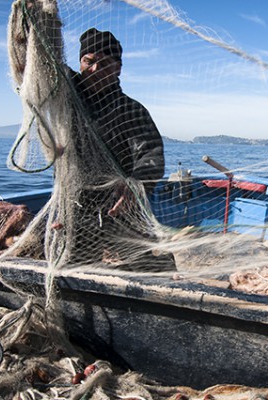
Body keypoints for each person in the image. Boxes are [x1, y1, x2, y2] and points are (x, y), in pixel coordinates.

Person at [69, 28, 174, 271]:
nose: (95, 69)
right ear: (81, 62)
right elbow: (42, 64)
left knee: (153, 269)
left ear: (118, 68)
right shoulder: (66, 97)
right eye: (89, 61)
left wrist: (136, 184)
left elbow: (150, 155)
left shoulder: (132, 110)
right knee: (76, 269)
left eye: (104, 63)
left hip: (121, 205)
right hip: (76, 205)